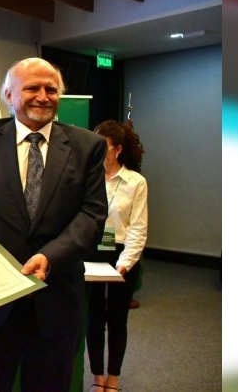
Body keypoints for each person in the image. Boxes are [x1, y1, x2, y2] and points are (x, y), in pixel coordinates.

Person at [0, 57, 108, 392]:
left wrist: (50, 257)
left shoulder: (87, 146)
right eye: (32, 88)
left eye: (51, 89)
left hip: (55, 300)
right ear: (8, 96)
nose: (43, 96)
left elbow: (92, 214)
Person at [86, 120, 148, 392]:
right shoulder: (89, 178)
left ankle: (113, 378)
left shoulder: (136, 182)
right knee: (93, 318)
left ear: (118, 149)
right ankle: (97, 377)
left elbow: (138, 228)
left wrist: (123, 265)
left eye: (103, 147)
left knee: (117, 319)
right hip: (92, 252)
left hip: (123, 255)